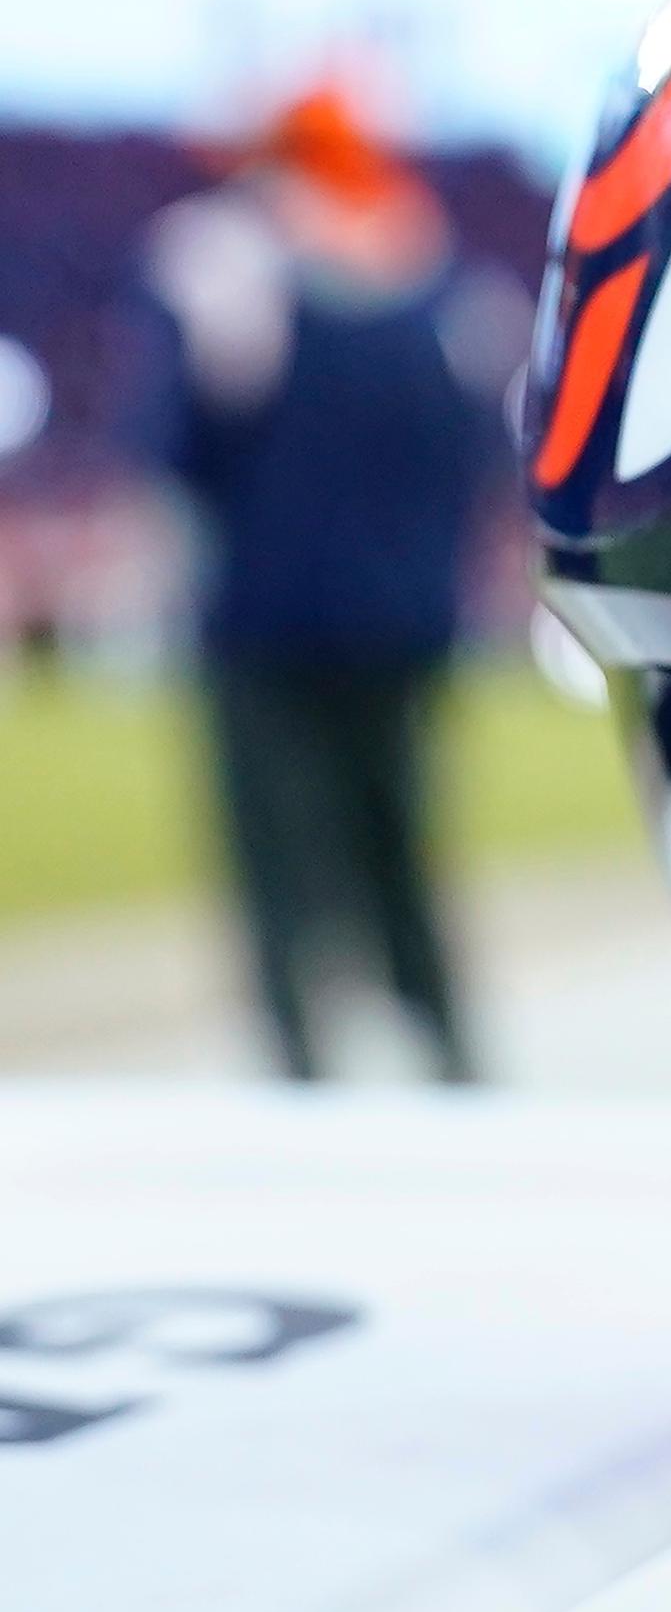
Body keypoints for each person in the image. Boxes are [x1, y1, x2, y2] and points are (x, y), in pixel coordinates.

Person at [130, 81, 505, 1080]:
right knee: (400, 857)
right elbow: (467, 462)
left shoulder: (226, 261)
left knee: (282, 878)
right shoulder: (438, 272)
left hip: (271, 621)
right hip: (403, 620)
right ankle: (454, 1065)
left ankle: (306, 1081)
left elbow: (179, 449)